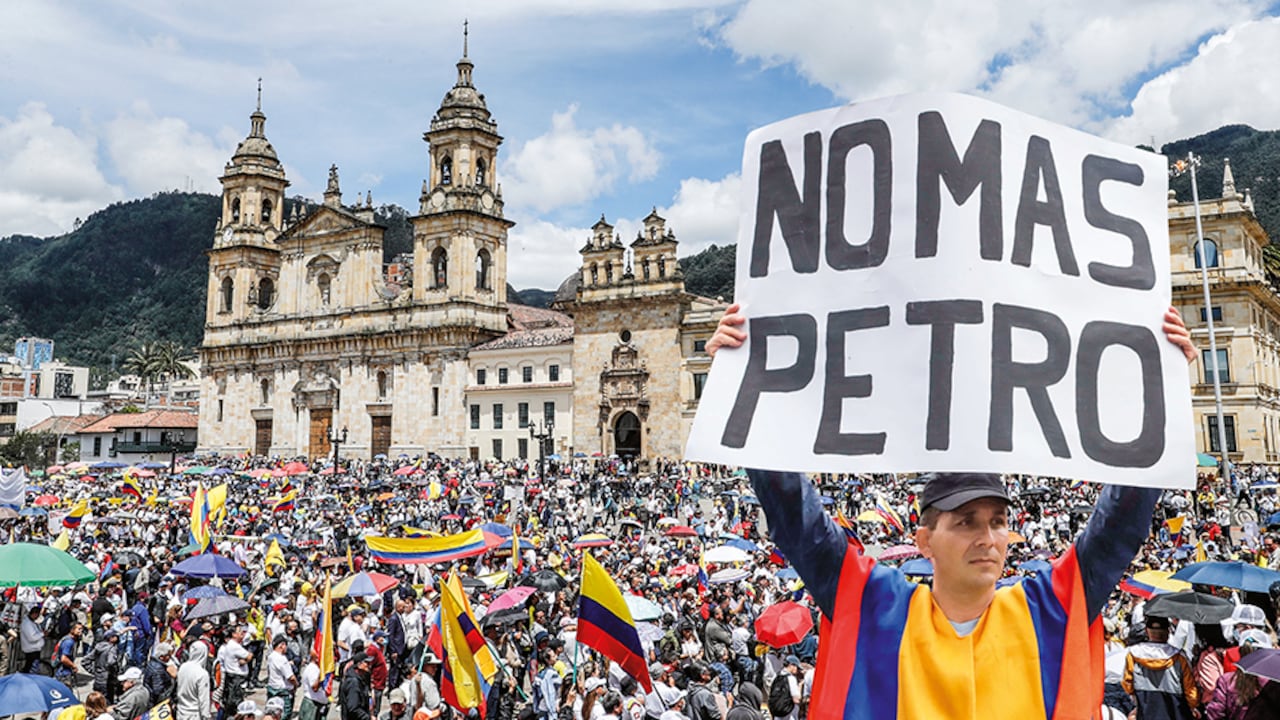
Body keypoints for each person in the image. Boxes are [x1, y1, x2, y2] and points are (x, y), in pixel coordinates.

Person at [705, 304, 1197, 718]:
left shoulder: (1047, 608)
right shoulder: (876, 605)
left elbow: (1118, 527)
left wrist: (1163, 389)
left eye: (998, 521)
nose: (988, 537)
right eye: (966, 521)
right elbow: (796, 519)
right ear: (924, 541)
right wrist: (742, 381)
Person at [1122, 615, 1198, 719]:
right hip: (1174, 711)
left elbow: (1127, 683)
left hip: (1145, 708)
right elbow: (1190, 689)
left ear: (1147, 631)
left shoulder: (1133, 654)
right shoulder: (1179, 657)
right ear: (1168, 631)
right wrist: (1193, 706)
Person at [220, 625, 254, 718]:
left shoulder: (233, 645)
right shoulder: (234, 646)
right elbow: (249, 656)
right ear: (234, 634)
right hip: (236, 679)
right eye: (239, 631)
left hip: (233, 678)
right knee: (236, 704)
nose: (242, 633)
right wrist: (246, 660)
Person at [176, 639, 213, 720]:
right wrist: (207, 716)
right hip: (194, 714)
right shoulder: (202, 674)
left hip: (181, 711)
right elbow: (204, 699)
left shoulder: (183, 667)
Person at [267, 635, 299, 720]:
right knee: (284, 714)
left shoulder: (270, 656)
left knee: (272, 712)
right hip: (283, 691)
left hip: (272, 688)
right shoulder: (282, 659)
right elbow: (291, 677)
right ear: (281, 645)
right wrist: (296, 685)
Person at [299, 647, 330, 720]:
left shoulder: (317, 668)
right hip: (312, 706)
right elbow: (315, 687)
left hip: (319, 705)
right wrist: (321, 675)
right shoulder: (312, 669)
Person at [339, 651, 372, 720]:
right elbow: (353, 708)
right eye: (367, 662)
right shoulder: (353, 682)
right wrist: (368, 718)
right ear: (359, 665)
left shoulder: (360, 679)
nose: (369, 665)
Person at [20, 605, 45, 673]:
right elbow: (31, 638)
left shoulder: (33, 622)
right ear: (34, 614)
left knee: (32, 669)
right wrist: (42, 634)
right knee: (32, 671)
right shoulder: (27, 623)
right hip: (31, 650)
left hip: (35, 650)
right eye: (37, 615)